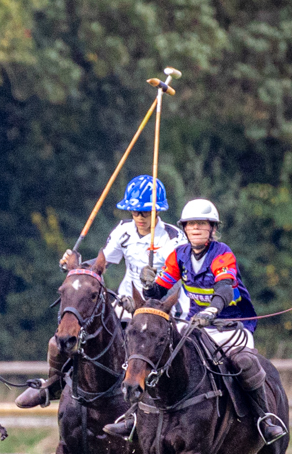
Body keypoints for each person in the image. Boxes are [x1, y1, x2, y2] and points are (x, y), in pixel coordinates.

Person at [103, 198, 287, 444]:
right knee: (160, 358)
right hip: (194, 326)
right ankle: (134, 418)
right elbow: (160, 290)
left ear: (212, 229)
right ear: (185, 229)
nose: (196, 228)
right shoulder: (180, 255)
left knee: (244, 362)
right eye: (191, 225)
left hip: (230, 326)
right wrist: (149, 286)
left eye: (202, 224)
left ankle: (265, 419)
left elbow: (224, 289)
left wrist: (212, 310)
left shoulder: (222, 254)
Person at [16, 175, 185, 409]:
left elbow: (176, 281)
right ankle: (54, 384)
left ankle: (154, 406)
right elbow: (103, 263)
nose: (139, 218)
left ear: (157, 212)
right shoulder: (124, 231)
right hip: (126, 303)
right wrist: (76, 265)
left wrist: (154, 281)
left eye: (144, 213)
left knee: (149, 351)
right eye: (134, 212)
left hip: (163, 310)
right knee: (82, 331)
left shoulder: (174, 239)